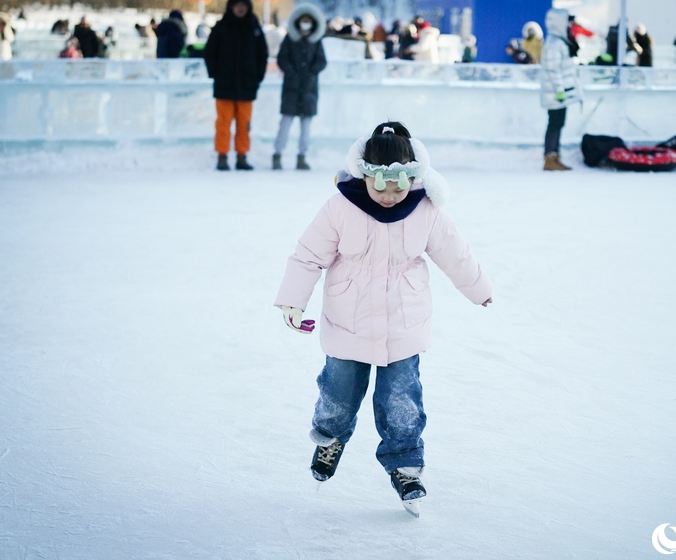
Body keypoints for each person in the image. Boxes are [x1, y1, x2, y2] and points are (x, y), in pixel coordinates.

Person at [273, 121, 492, 511]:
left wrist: (478, 288)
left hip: (404, 323)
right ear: (364, 175)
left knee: (402, 399)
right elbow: (308, 255)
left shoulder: (426, 209)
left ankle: (406, 464)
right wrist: (293, 300)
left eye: (399, 187)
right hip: (348, 321)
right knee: (338, 391)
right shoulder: (341, 207)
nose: (390, 196)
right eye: (381, 187)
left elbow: (454, 253)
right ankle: (330, 438)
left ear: (414, 177)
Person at [204, 0, 269, 171]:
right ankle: (222, 156)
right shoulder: (221, 27)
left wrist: (257, 78)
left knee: (244, 124)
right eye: (237, 4)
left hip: (247, 85)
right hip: (224, 85)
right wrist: (216, 74)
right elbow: (209, 52)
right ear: (231, 7)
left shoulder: (254, 28)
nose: (240, 8)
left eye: (243, 5)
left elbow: (262, 54)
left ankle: (242, 156)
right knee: (223, 123)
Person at [272, 3, 326, 171]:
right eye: (303, 20)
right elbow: (282, 58)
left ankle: (302, 156)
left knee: (305, 127)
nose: (305, 23)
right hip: (291, 89)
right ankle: (277, 154)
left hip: (309, 90)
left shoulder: (316, 41)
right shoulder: (290, 39)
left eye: (308, 20)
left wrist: (311, 73)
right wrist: (291, 73)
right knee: (285, 124)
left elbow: (321, 61)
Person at [540, 7, 581, 171]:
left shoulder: (559, 41)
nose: (571, 24)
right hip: (555, 94)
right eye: (568, 21)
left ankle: (555, 155)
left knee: (558, 123)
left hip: (559, 93)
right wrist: (559, 90)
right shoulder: (554, 43)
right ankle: (550, 157)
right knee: (555, 124)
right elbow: (553, 69)